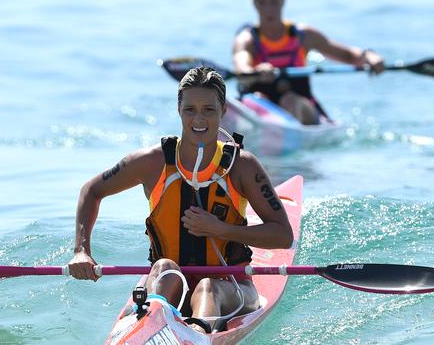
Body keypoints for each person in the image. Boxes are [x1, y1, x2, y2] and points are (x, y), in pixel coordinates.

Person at [67, 67, 293, 332]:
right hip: (169, 281)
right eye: (190, 110)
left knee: (208, 287)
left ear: (224, 111)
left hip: (231, 286)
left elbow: (282, 235)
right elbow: (90, 191)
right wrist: (81, 250)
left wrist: (221, 229)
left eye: (209, 109)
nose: (199, 118)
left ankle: (197, 334)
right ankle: (148, 328)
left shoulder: (242, 166)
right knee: (164, 268)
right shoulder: (151, 162)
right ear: (178, 109)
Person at [233, 0, 385, 125]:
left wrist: (369, 55)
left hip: (301, 107)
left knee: (290, 101)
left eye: (274, 1)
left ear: (283, 2)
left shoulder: (303, 35)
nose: (269, 8)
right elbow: (241, 69)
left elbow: (348, 56)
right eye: (262, 2)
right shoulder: (247, 40)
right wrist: (256, 71)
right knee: (255, 99)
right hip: (262, 106)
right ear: (255, 5)